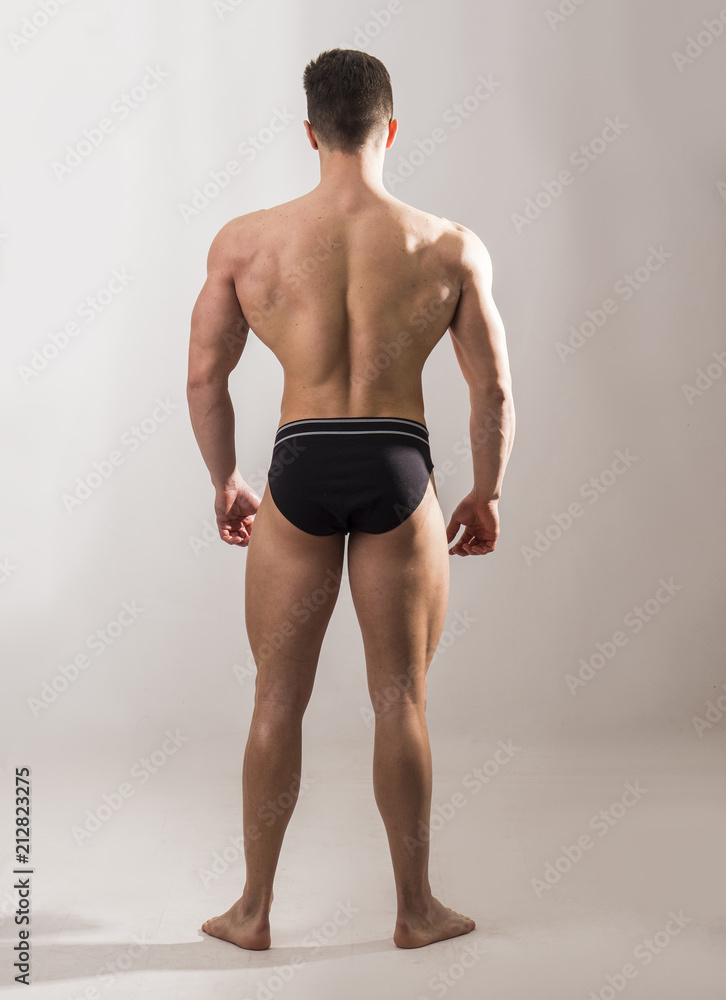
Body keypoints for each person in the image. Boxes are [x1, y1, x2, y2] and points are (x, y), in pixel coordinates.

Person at [187, 47, 515, 951]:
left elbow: (204, 379)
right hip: (396, 464)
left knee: (274, 701)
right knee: (401, 699)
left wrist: (226, 481)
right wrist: (485, 492)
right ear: (390, 128)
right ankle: (416, 911)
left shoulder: (247, 241)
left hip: (299, 464)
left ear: (310, 132)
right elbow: (491, 392)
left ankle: (251, 913)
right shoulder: (446, 244)